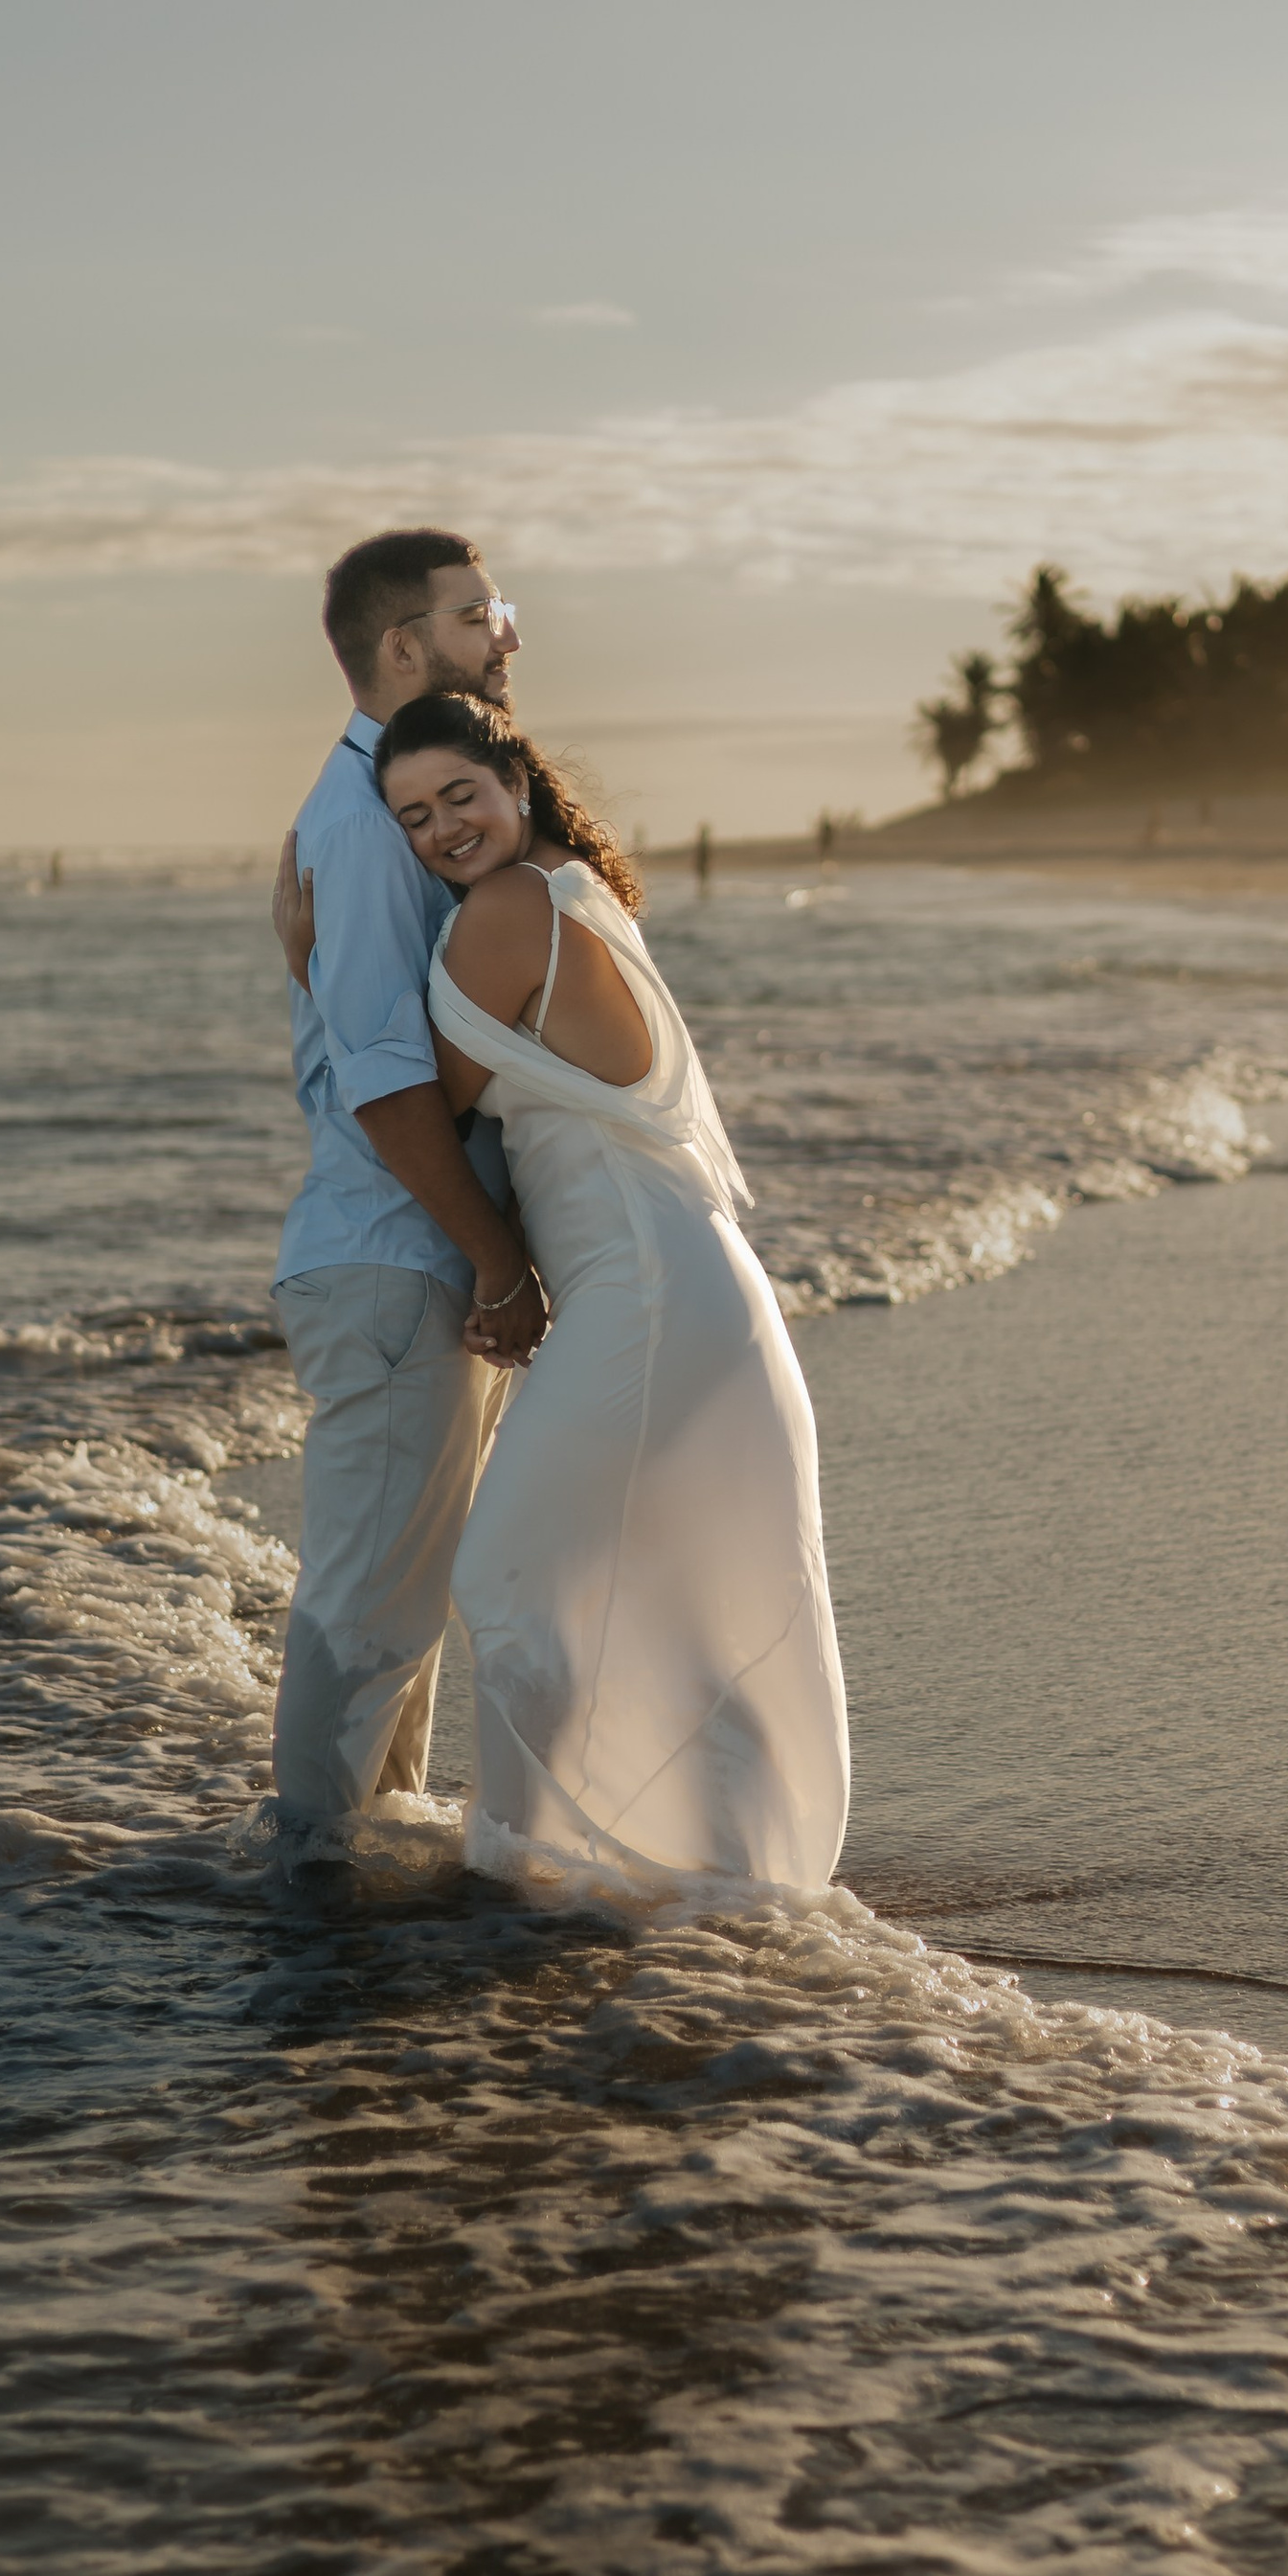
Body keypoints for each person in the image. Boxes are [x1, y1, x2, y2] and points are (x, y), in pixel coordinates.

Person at [301, 688, 849, 1895]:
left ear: (519, 785)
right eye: (410, 818)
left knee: (511, 1574)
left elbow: (405, 1098)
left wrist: (313, 958)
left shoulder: (504, 912)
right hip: (677, 1286)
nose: (442, 829)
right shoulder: (565, 891)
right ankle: (702, 1875)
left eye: (462, 796)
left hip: (646, 1298)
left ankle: (539, 1874)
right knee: (660, 1598)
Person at [264, 530, 550, 1849]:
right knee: (369, 1608)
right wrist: (497, 1260)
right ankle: (306, 1890)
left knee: (402, 1608)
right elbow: (383, 1086)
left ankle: (374, 1868)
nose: (507, 632)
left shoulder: (386, 809)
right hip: (395, 1255)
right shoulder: (371, 829)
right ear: (402, 645)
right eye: (479, 612)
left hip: (410, 1251)